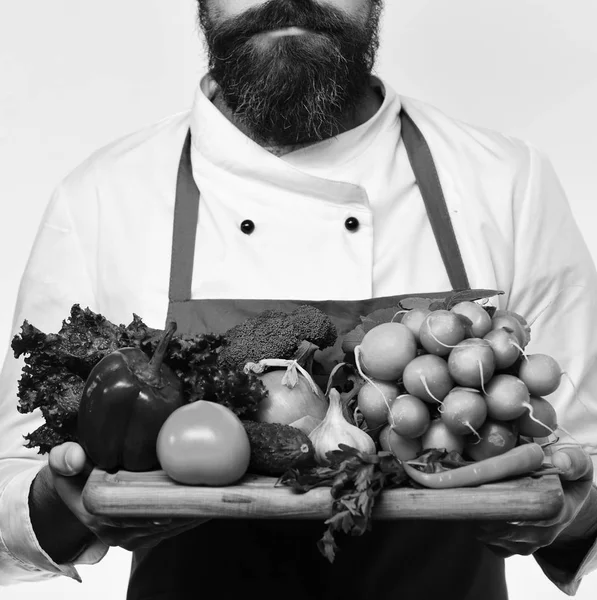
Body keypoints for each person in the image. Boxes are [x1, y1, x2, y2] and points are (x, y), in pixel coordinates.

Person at [0, 1, 596, 598]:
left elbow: (585, 464)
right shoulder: (104, 197)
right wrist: (64, 504)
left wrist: (571, 515)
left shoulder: (506, 183)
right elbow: (11, 487)